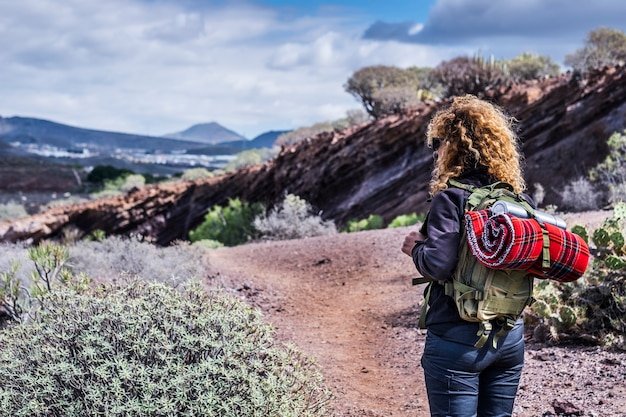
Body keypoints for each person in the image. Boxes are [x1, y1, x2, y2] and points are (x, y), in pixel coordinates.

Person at [401, 94, 532, 417]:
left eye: (440, 142)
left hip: (457, 341)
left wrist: (415, 248)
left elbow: (438, 264)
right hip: (509, 336)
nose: (438, 150)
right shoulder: (517, 199)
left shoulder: (452, 198)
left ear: (454, 146)